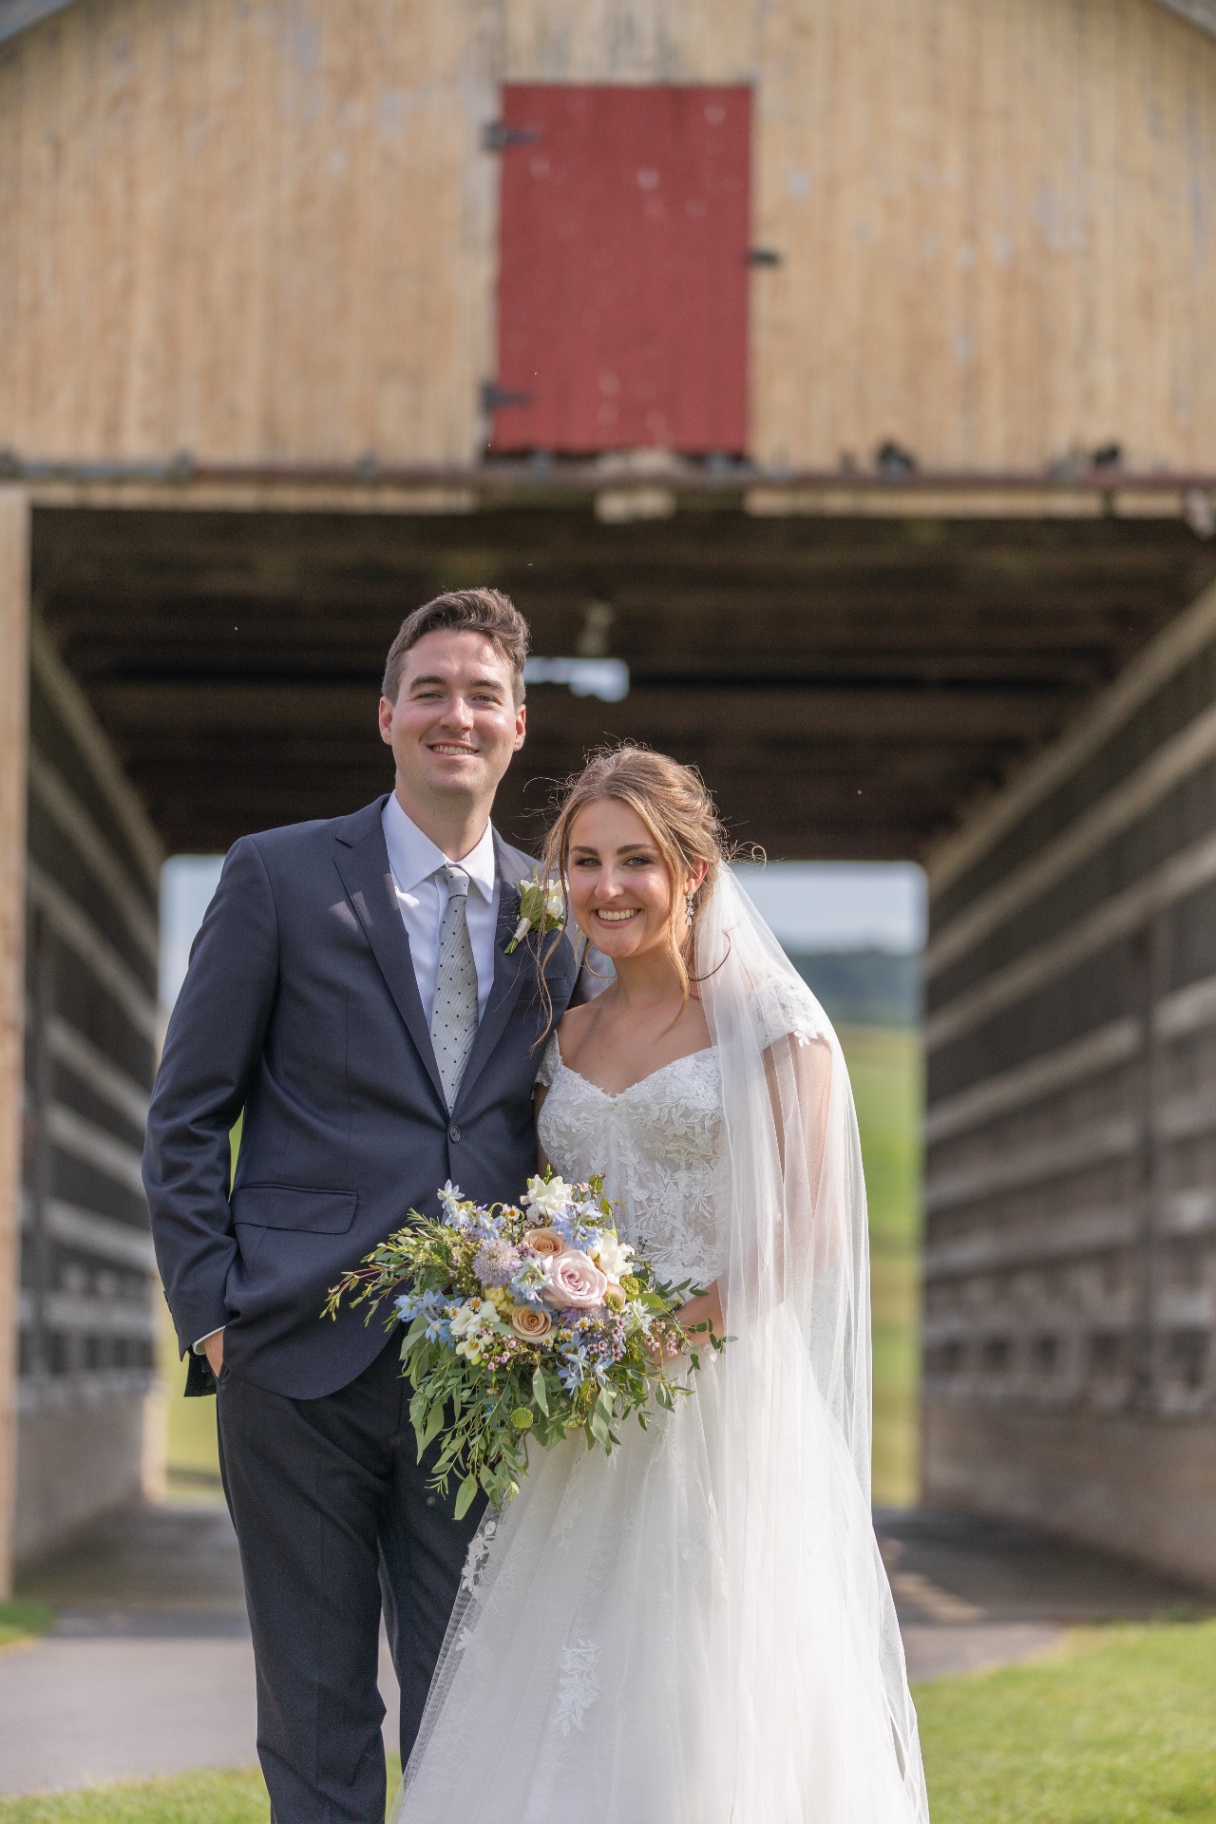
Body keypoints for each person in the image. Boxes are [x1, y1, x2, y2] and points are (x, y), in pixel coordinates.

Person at [395, 746, 930, 1824]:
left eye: (635, 860)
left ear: (691, 871)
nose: (606, 887)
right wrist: (530, 1300)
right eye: (583, 861)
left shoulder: (777, 1029)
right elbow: (548, 1207)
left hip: (719, 1397)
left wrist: (661, 1335)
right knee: (564, 1669)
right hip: (583, 1406)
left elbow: (807, 1232)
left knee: (704, 1667)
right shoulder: (564, 1035)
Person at [143, 589, 588, 1824]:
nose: (458, 713)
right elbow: (187, 1115)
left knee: (470, 1706)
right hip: (291, 1357)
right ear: (387, 714)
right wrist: (212, 1317)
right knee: (316, 1709)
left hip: (489, 1373)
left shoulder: (559, 916)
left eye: (483, 695)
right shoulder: (279, 875)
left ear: (518, 726)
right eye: (433, 690)